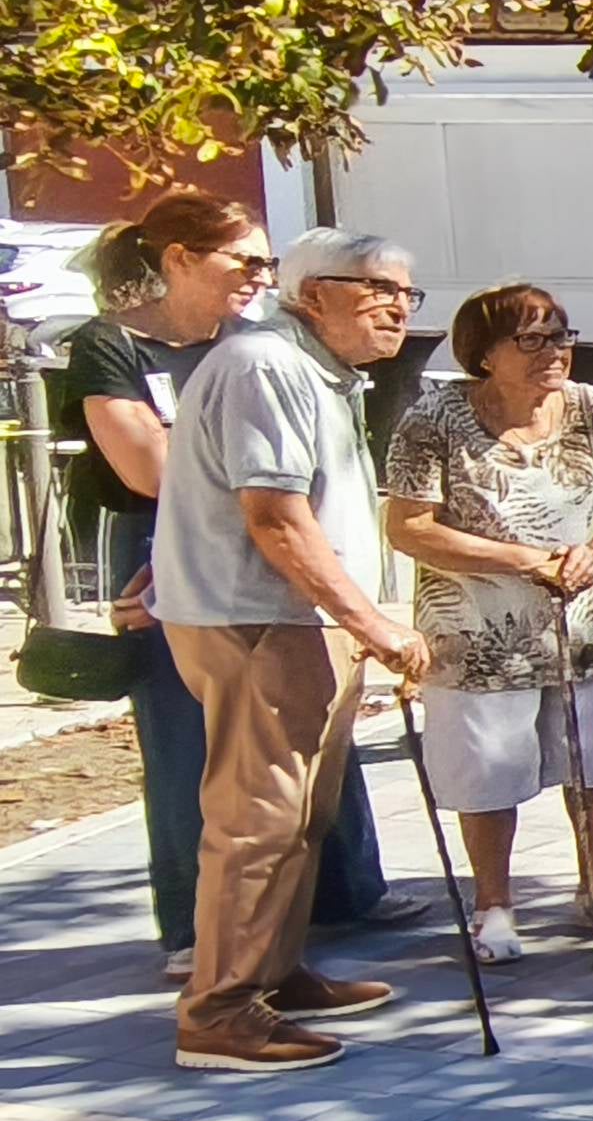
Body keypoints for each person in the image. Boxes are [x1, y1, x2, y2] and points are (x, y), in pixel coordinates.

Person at [49, 194, 407, 977]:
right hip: (210, 582)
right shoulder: (140, 348)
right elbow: (159, 471)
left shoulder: (262, 347)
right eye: (243, 262)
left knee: (296, 790)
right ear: (176, 257)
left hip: (243, 569)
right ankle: (217, 981)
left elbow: (240, 475)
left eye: (266, 264)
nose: (259, 279)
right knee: (216, 780)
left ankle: (293, 950)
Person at [151, 228, 430, 1072]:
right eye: (377, 288)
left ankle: (270, 972)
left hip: (288, 622)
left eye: (406, 294)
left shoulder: (314, 372)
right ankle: (220, 1011)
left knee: (301, 814)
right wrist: (371, 624)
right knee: (258, 819)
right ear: (313, 295)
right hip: (256, 621)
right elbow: (274, 516)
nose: (397, 308)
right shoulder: (265, 366)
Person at [381, 284, 593, 960]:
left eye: (560, 335)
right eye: (531, 340)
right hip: (476, 634)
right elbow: (410, 529)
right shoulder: (434, 419)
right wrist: (522, 560)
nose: (554, 351)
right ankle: (494, 908)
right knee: (488, 773)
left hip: (578, 627)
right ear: (485, 353)